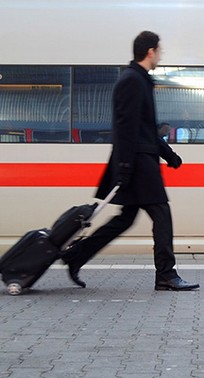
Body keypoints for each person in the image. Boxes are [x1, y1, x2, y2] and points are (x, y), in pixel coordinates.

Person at [67, 31, 199, 291]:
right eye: (159, 51)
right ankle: (166, 275)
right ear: (150, 51)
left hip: (139, 160)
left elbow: (144, 127)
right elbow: (125, 128)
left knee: (125, 219)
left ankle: (75, 256)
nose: (160, 55)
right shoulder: (132, 81)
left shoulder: (139, 80)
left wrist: (169, 155)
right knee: (162, 214)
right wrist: (125, 167)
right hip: (137, 164)